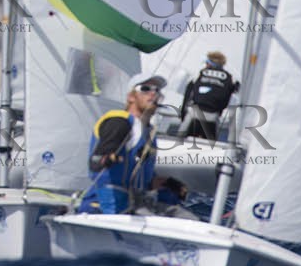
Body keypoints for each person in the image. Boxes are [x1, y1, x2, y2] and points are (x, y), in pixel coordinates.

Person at [82, 76, 189, 215]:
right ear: (131, 97)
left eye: (157, 90)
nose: (153, 93)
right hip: (104, 206)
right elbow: (96, 162)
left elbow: (144, 180)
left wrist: (168, 183)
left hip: (136, 203)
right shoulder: (119, 121)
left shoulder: (149, 133)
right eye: (145, 89)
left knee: (188, 219)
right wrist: (106, 158)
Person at [179, 51, 241, 141]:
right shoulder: (231, 78)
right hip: (213, 116)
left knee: (178, 141)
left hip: (194, 114)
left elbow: (187, 95)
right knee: (210, 148)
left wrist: (183, 115)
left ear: (209, 63)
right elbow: (238, 94)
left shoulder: (199, 73)